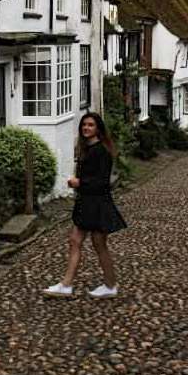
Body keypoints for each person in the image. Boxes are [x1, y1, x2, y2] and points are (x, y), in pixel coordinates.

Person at [43, 112, 127, 299]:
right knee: (76, 241)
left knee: (98, 244)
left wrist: (79, 183)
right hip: (87, 202)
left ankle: (108, 285)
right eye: (84, 125)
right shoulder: (87, 149)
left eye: (90, 125)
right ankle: (69, 284)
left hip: (97, 203)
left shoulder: (101, 151)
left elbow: (102, 182)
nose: (86, 128)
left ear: (98, 128)